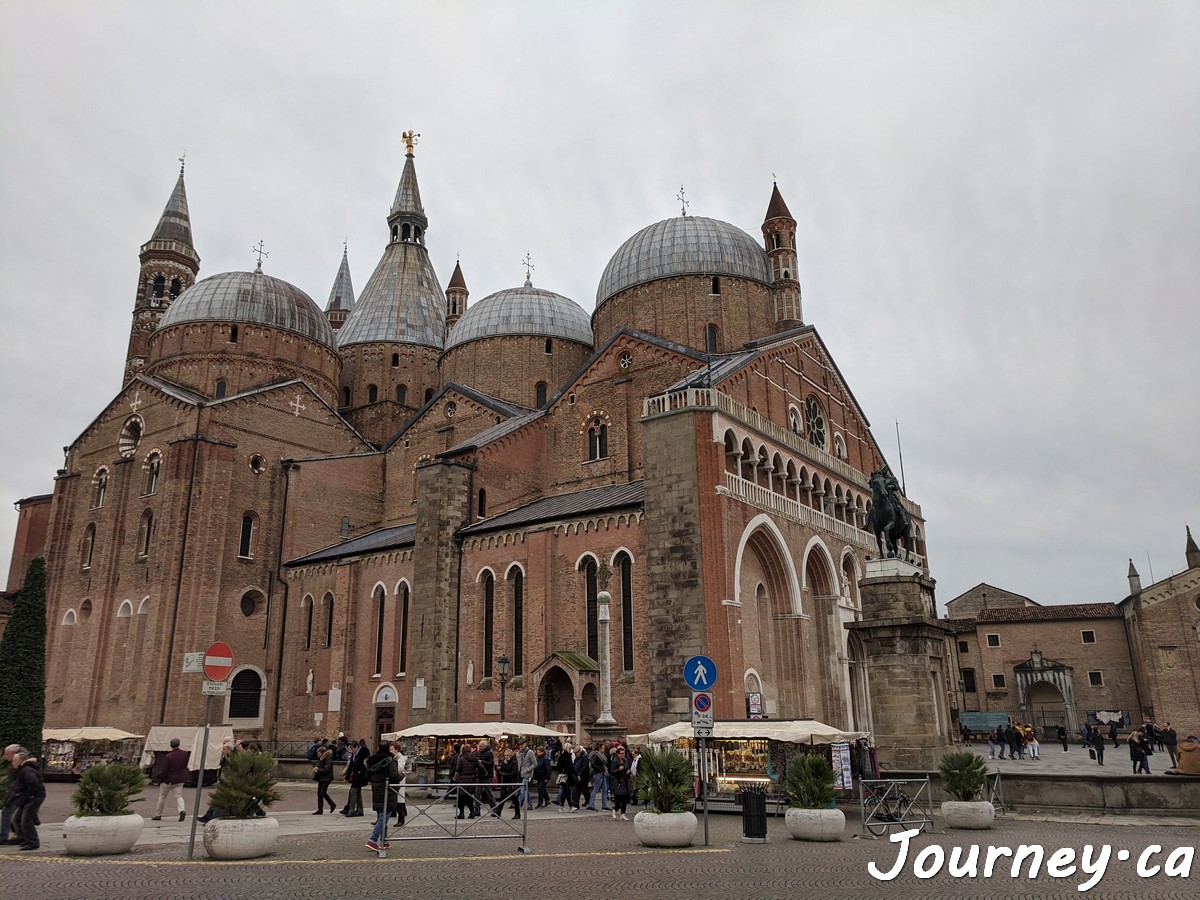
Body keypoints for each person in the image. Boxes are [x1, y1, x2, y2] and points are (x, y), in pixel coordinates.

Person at [365, 742, 402, 852]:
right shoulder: (390, 760)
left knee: (381, 816)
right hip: (388, 790)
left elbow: (367, 776)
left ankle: (384, 841)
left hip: (376, 790)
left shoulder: (372, 760)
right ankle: (372, 840)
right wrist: (403, 775)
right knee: (384, 816)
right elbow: (395, 776)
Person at [10, 750, 45, 851]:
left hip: (33, 797)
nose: (12, 763)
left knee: (26, 821)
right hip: (28, 797)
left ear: (19, 761)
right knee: (17, 818)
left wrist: (28, 796)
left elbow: (33, 784)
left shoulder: (26, 770)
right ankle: (25, 839)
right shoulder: (23, 770)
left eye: (13, 761)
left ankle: (33, 842)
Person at [152, 737, 190, 822]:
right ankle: (182, 810)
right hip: (180, 779)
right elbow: (185, 765)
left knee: (162, 796)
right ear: (179, 744)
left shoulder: (169, 756)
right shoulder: (185, 754)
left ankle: (158, 814)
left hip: (168, 780)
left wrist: (160, 779)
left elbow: (164, 769)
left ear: (171, 745)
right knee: (179, 796)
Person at [1, 744, 24, 844]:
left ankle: (4, 836)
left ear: (14, 754)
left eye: (7, 754)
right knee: (14, 814)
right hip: (16, 792)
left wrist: (13, 792)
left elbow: (18, 781)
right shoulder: (20, 761)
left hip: (17, 793)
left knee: (7, 811)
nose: (6, 757)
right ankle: (18, 834)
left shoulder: (19, 764)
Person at [452, 742, 480, 819]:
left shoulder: (461, 758)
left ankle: (461, 813)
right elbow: (480, 767)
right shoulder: (474, 758)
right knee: (469, 797)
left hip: (462, 780)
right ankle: (472, 812)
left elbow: (458, 770)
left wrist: (455, 778)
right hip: (471, 780)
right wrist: (484, 773)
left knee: (461, 797)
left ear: (463, 750)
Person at [343, 739, 368, 817]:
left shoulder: (364, 752)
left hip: (360, 776)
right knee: (357, 793)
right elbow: (351, 765)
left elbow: (365, 764)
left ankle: (351, 810)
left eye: (352, 749)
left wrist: (360, 772)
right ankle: (360, 810)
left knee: (353, 791)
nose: (351, 750)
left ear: (356, 747)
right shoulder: (354, 754)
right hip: (355, 776)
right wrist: (347, 777)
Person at [608, 745, 632, 821]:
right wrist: (619, 769)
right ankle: (615, 809)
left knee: (625, 799)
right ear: (618, 754)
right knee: (619, 798)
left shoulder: (626, 760)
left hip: (625, 781)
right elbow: (612, 772)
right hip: (618, 782)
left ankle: (623, 814)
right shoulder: (615, 761)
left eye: (623, 753)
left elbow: (628, 768)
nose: (623, 755)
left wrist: (628, 771)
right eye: (621, 753)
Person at [497, 748, 522, 819]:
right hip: (505, 782)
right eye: (505, 755)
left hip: (512, 782)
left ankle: (517, 814)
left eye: (508, 755)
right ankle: (498, 812)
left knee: (514, 798)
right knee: (502, 797)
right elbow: (500, 771)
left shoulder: (514, 762)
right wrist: (503, 774)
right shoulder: (503, 762)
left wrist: (504, 774)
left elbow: (514, 773)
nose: (506, 756)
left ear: (511, 755)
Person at [312, 745, 337, 814]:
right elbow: (319, 765)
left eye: (318, 752)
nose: (317, 754)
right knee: (319, 793)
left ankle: (332, 804)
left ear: (322, 752)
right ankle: (320, 809)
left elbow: (326, 769)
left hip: (327, 778)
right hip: (322, 778)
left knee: (322, 792)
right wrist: (317, 767)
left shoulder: (328, 758)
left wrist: (318, 770)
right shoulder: (322, 758)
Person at [476, 739, 498, 817]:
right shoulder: (478, 753)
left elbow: (491, 763)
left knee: (489, 793)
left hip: (487, 776)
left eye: (481, 746)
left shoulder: (489, 753)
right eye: (479, 746)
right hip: (479, 775)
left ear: (485, 746)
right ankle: (477, 810)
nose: (479, 747)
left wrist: (482, 761)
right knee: (477, 794)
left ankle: (495, 809)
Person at [587, 741, 610, 811]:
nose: (604, 749)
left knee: (605, 789)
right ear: (599, 748)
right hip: (598, 773)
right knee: (596, 789)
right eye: (603, 748)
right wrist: (599, 769)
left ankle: (604, 805)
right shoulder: (596, 755)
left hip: (602, 773)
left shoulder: (601, 755)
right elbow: (593, 764)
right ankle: (591, 805)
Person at [554, 742, 576, 811]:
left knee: (565, 791)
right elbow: (559, 766)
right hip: (564, 776)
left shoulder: (568, 755)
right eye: (570, 748)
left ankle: (562, 806)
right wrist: (562, 771)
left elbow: (571, 767)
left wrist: (576, 774)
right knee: (567, 792)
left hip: (568, 776)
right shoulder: (563, 756)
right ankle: (570, 806)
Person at [516, 740, 537, 810]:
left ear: (525, 744)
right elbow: (519, 763)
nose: (521, 746)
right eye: (519, 745)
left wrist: (528, 770)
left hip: (527, 774)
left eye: (522, 744)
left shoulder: (530, 752)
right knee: (525, 790)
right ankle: (529, 804)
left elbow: (535, 763)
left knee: (522, 788)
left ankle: (517, 802)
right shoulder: (518, 753)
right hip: (520, 774)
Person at [572, 744, 591, 811]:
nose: (575, 754)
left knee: (585, 791)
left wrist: (579, 775)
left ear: (579, 751)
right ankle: (575, 804)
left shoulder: (585, 756)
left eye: (576, 753)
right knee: (576, 791)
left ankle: (590, 803)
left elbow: (584, 767)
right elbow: (575, 765)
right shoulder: (577, 757)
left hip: (583, 777)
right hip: (577, 777)